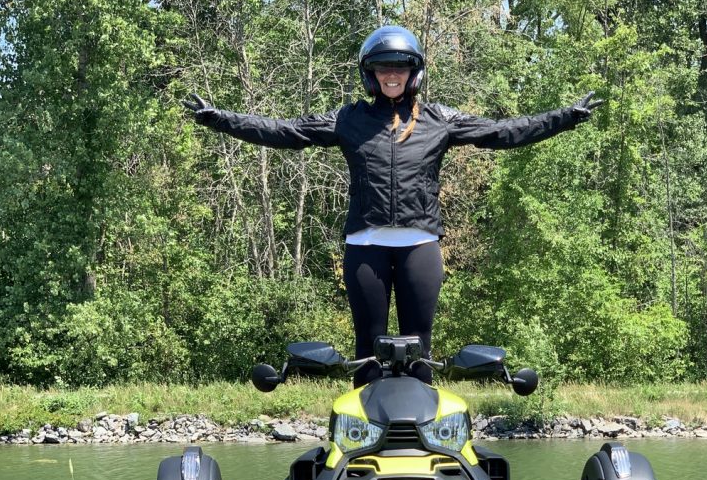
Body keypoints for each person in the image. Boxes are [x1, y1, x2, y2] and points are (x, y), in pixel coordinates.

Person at [184, 25, 601, 387]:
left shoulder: (440, 119)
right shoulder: (349, 119)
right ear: (370, 74)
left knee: (419, 347)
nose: (391, 75)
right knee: (368, 349)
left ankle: (423, 442)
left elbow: (504, 132)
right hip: (366, 245)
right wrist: (217, 118)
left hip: (421, 244)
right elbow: (286, 131)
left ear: (413, 72)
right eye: (383, 68)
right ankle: (360, 440)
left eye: (399, 67)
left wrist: (566, 116)